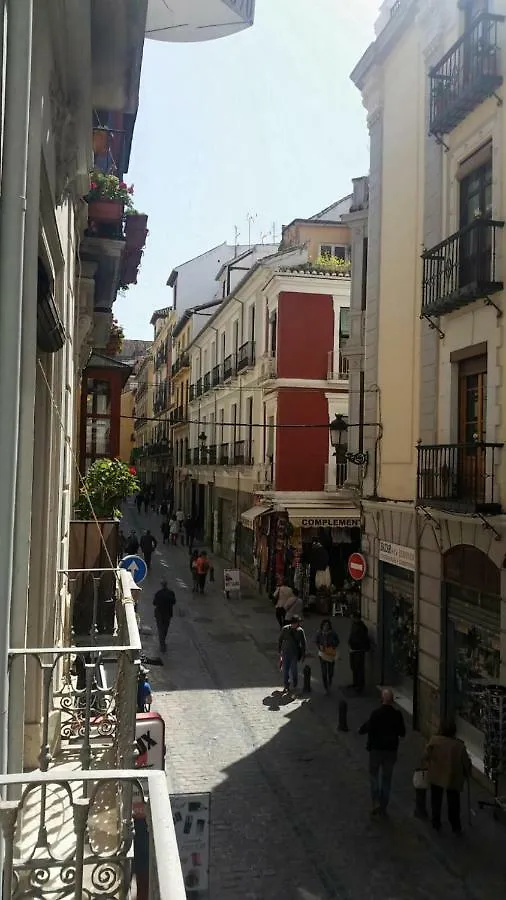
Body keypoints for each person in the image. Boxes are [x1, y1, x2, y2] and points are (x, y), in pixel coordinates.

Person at [359, 688, 406, 817]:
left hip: (376, 750)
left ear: (382, 699)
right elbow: (402, 733)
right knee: (387, 779)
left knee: (374, 776)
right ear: (392, 701)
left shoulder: (376, 713)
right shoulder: (397, 715)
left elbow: (367, 727)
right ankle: (384, 805)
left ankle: (375, 801)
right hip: (390, 751)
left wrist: (361, 730)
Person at [422, 719, 472, 834]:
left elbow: (425, 755)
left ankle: (436, 822)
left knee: (436, 799)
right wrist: (467, 771)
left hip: (436, 774)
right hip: (452, 776)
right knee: (453, 801)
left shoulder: (435, 741)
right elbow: (465, 762)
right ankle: (455, 825)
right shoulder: (459, 745)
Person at [278, 616, 306, 694]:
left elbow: (303, 643)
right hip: (285, 652)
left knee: (294, 670)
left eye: (297, 623)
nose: (297, 624)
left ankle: (294, 685)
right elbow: (280, 639)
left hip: (294, 653)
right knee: (285, 670)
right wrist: (279, 649)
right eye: (296, 623)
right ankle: (286, 685)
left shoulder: (300, 631)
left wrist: (303, 654)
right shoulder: (285, 629)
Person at [315, 618, 340, 694]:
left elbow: (337, 642)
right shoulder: (319, 633)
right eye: (324, 625)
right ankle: (326, 687)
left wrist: (332, 644)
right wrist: (319, 646)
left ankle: (330, 681)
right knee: (324, 672)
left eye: (327, 625)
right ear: (322, 626)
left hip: (330, 654)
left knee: (330, 671)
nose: (326, 627)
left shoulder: (333, 633)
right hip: (322, 654)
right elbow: (316, 641)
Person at [348, 611, 370, 693]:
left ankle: (360, 685)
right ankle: (355, 683)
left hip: (359, 650)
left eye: (352, 617)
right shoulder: (354, 624)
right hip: (353, 649)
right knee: (353, 667)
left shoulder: (362, 627)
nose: (351, 618)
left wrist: (355, 645)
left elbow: (362, 639)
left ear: (356, 617)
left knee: (359, 668)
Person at [153, 579, 176, 653]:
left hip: (159, 613)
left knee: (160, 628)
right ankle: (163, 642)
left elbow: (154, 603)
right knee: (165, 628)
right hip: (168, 613)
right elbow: (174, 602)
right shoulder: (171, 593)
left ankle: (162, 643)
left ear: (162, 585)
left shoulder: (158, 593)